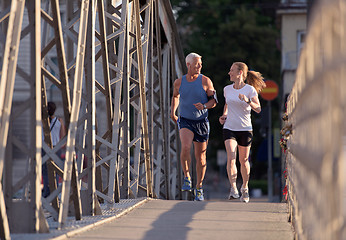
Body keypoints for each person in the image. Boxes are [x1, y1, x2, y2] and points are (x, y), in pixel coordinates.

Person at [171, 53, 217, 201]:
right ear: (188, 65)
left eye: (200, 64)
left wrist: (204, 105)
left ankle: (199, 187)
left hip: (202, 122)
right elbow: (176, 96)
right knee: (185, 147)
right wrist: (173, 112)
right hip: (185, 121)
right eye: (197, 64)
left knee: (201, 158)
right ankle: (187, 177)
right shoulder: (179, 82)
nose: (199, 66)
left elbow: (214, 101)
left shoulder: (206, 81)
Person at [219, 62, 266, 203]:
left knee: (243, 160)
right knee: (231, 157)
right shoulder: (227, 89)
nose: (229, 73)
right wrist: (224, 115)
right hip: (229, 127)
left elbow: (258, 109)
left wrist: (248, 101)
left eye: (231, 70)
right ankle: (233, 188)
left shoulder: (250, 90)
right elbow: (227, 104)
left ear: (240, 73)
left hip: (245, 129)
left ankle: (245, 188)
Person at [42, 101, 66, 198]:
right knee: (55, 170)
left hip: (44, 147)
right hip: (56, 147)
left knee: (45, 170)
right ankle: (54, 192)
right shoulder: (59, 121)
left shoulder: (42, 121)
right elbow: (63, 136)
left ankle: (47, 192)